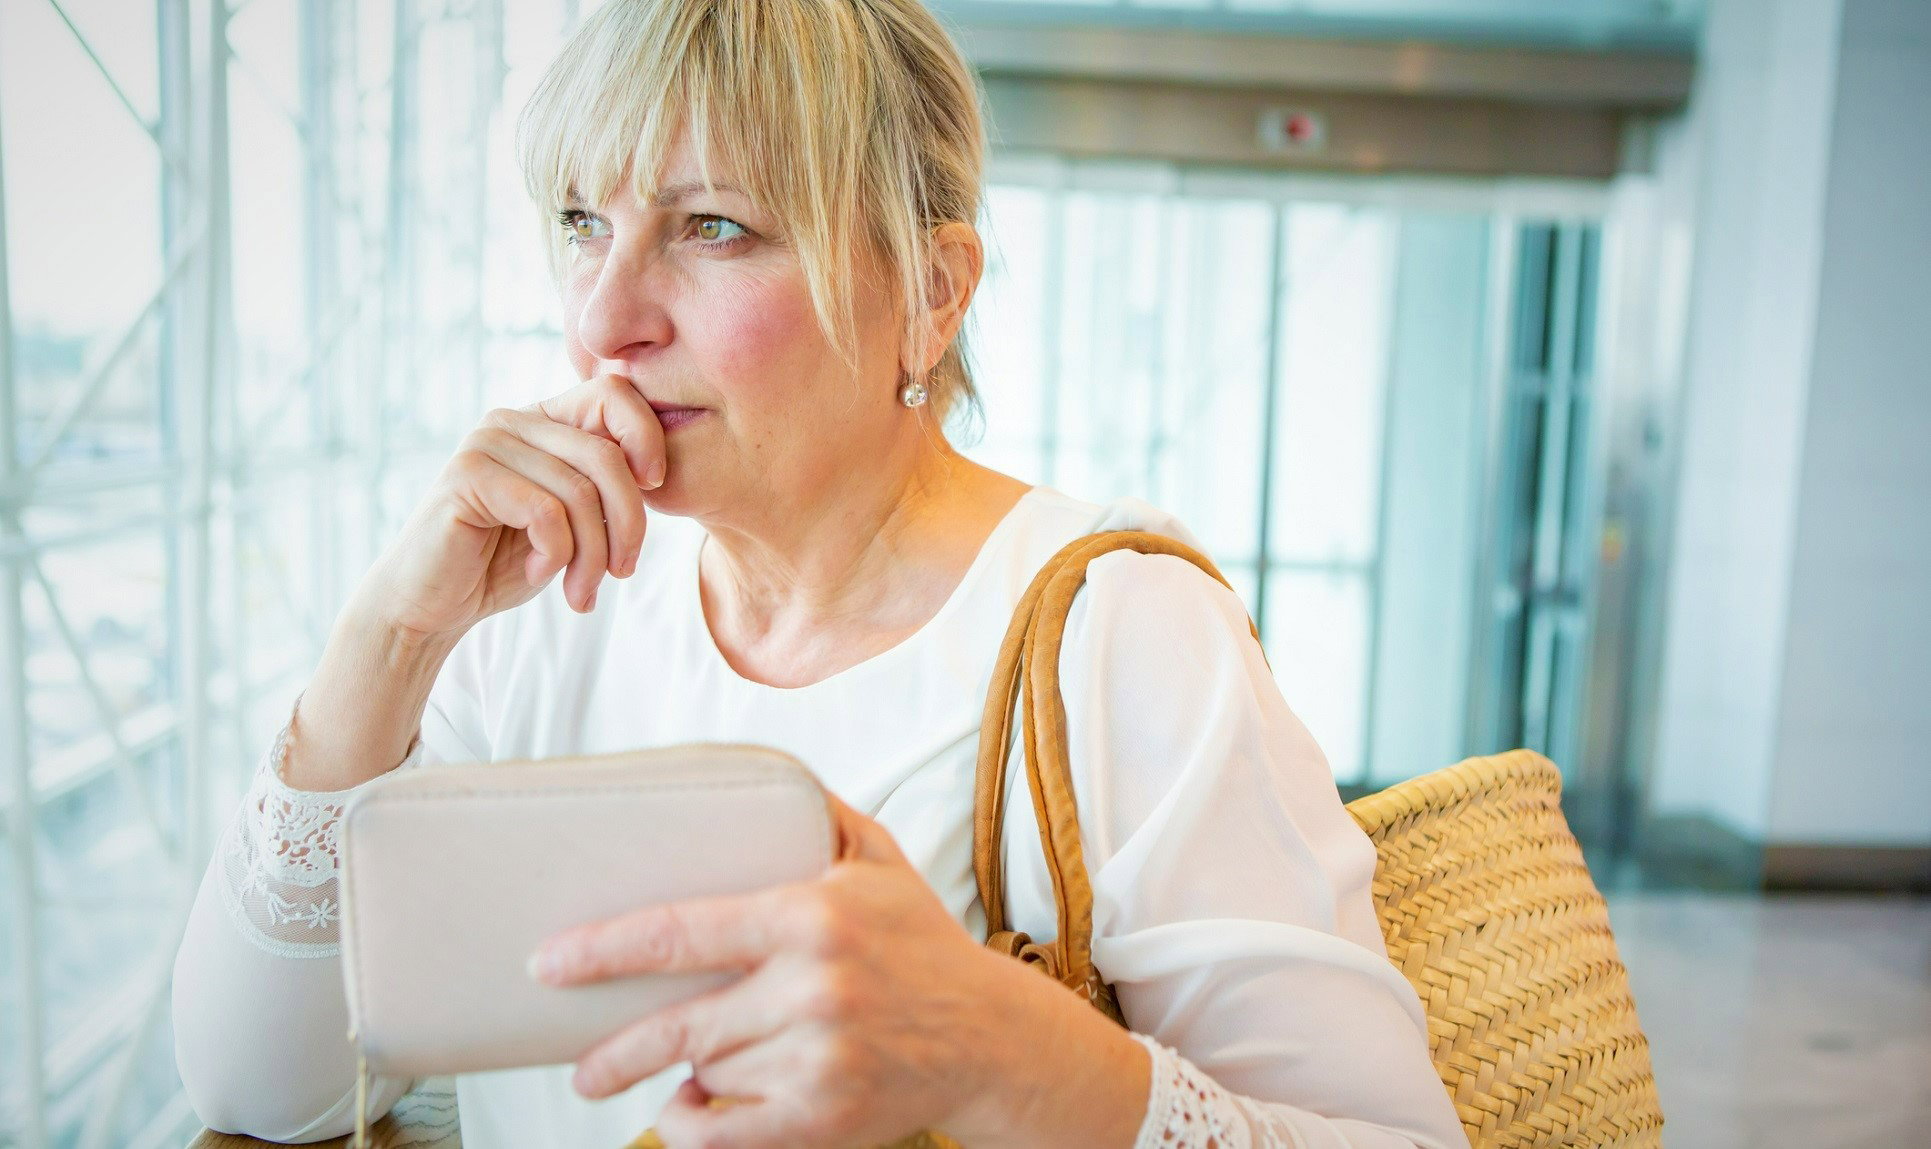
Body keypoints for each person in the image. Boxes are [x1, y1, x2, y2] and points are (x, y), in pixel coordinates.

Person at [170, 0, 1470, 1145]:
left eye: (713, 227)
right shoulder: (538, 610)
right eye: (584, 221)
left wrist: (996, 1054)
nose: (601, 320)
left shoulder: (1112, 631)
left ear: (929, 291)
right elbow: (256, 1085)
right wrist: (392, 633)